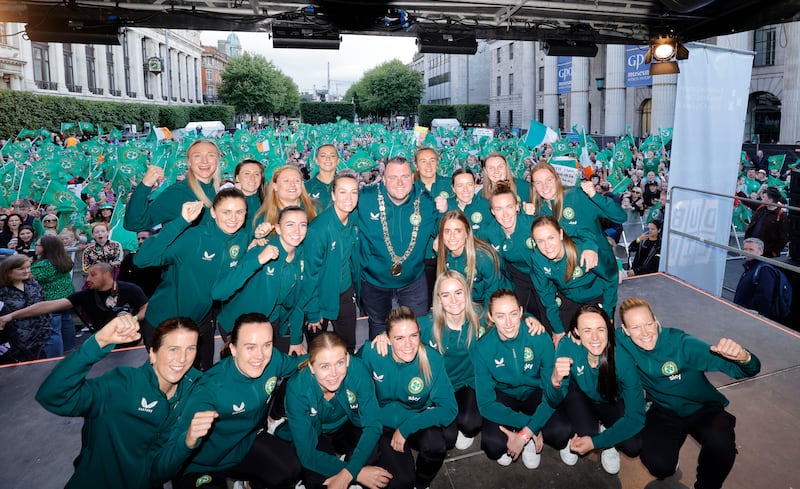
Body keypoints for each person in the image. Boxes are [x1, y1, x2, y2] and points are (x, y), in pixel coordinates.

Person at [36, 314, 202, 489]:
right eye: (173, 349)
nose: (183, 358)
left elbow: (159, 471)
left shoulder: (193, 392)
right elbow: (53, 396)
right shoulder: (121, 384)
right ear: (152, 353)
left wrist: (187, 443)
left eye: (190, 348)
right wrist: (98, 342)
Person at [617, 297, 761, 489]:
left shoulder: (682, 344)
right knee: (659, 466)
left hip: (701, 408)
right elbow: (596, 337)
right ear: (625, 331)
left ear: (656, 320)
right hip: (662, 409)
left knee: (721, 444)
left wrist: (744, 357)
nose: (644, 333)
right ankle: (670, 455)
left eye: (648, 324)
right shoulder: (622, 342)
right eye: (635, 327)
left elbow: (746, 369)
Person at [155, 313, 304, 489]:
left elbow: (299, 363)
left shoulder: (273, 360)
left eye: (267, 345)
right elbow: (172, 446)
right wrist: (187, 440)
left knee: (291, 469)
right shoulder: (208, 388)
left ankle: (246, 485)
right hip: (201, 465)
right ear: (233, 349)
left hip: (244, 446)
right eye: (250, 347)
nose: (260, 355)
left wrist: (332, 358)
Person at [134, 188, 252, 368]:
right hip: (164, 320)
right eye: (226, 212)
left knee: (201, 377)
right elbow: (142, 259)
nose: (233, 218)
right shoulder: (194, 237)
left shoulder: (243, 238)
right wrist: (180, 222)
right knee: (167, 381)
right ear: (213, 212)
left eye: (239, 212)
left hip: (200, 320)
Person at [358, 306, 457, 489]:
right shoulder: (372, 353)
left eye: (413, 336)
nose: (408, 344)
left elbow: (450, 408)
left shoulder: (432, 360)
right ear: (387, 338)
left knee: (436, 445)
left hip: (412, 421)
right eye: (399, 338)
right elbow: (349, 381)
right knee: (401, 482)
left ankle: (421, 484)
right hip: (382, 425)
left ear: (419, 333)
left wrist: (407, 428)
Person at [278, 332, 393, 489]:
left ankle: (346, 462)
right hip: (316, 433)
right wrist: (356, 473)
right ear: (311, 367)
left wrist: (348, 473)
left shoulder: (357, 369)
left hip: (347, 423)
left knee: (372, 456)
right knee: (316, 479)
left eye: (339, 363)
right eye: (324, 366)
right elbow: (307, 455)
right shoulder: (297, 388)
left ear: (346, 360)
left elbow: (373, 425)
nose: (333, 373)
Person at [472, 289, 572, 469]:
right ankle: (526, 435)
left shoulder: (539, 336)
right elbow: (486, 405)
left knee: (561, 433)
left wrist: (525, 434)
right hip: (505, 393)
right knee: (493, 446)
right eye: (500, 316)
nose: (509, 323)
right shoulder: (482, 347)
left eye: (513, 314)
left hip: (535, 391)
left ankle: (526, 440)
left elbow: (554, 397)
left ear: (520, 312)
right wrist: (529, 426)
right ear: (491, 317)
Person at [545, 305, 645, 474]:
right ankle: (580, 431)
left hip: (610, 399)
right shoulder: (568, 346)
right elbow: (554, 400)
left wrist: (596, 443)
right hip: (580, 396)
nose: (595, 337)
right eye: (587, 330)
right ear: (576, 332)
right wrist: (555, 380)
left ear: (608, 330)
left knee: (632, 445)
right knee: (584, 431)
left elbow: (636, 417)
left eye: (600, 329)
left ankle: (608, 437)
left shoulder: (621, 358)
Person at [357, 157, 439, 339]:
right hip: (374, 281)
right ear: (384, 179)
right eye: (393, 177)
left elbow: (442, 226)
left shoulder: (425, 200)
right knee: (378, 331)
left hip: (413, 280)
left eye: (404, 176)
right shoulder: (364, 198)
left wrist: (441, 234)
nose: (400, 183)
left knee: (417, 329)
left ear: (412, 177)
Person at [213, 206, 308, 355]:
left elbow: (297, 301)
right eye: (290, 224)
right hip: (238, 325)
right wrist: (258, 260)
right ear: (278, 228)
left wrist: (296, 338)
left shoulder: (301, 256)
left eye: (302, 225)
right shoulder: (261, 250)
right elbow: (219, 292)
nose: (297, 230)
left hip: (272, 323)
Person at [531, 161, 626, 310]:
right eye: (538, 182)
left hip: (598, 276)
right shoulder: (539, 210)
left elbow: (620, 216)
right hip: (568, 287)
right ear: (534, 186)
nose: (544, 186)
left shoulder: (577, 195)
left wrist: (595, 196)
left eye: (548, 180)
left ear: (556, 179)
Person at [0, 262, 147, 343]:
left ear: (107, 275)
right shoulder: (84, 295)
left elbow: (146, 308)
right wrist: (11, 316)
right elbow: (48, 305)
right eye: (86, 275)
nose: (88, 279)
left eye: (93, 275)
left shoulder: (130, 289)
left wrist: (132, 318)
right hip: (104, 345)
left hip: (133, 343)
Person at [529, 216, 614, 342]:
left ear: (561, 234)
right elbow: (546, 296)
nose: (547, 246)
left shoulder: (582, 252)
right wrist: (558, 330)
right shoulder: (537, 259)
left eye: (551, 238)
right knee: (566, 342)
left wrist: (608, 311)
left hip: (595, 296)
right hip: (568, 298)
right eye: (540, 241)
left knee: (598, 339)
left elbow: (611, 278)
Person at [302, 172, 360, 352]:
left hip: (344, 291)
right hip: (319, 296)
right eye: (343, 192)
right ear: (333, 195)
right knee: (318, 350)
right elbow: (309, 274)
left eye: (354, 192)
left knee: (348, 345)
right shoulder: (319, 229)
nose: (349, 198)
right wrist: (312, 312)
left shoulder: (354, 218)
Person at [476, 183, 544, 319]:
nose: (505, 214)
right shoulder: (489, 231)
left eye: (509, 207)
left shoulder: (532, 224)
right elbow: (468, 241)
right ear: (492, 211)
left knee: (547, 318)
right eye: (499, 209)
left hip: (543, 275)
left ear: (517, 207)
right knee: (516, 317)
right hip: (517, 278)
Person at [124, 139, 222, 232]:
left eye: (210, 155)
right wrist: (145, 185)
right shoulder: (177, 193)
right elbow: (134, 223)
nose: (204, 161)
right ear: (189, 162)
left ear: (218, 159)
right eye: (197, 156)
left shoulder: (225, 192)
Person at [435, 210, 509, 306]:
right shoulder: (443, 253)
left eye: (458, 231)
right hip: (464, 303)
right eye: (447, 231)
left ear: (467, 233)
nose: (452, 237)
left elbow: (493, 292)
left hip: (493, 300)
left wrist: (486, 318)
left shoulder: (483, 258)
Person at [0, 254, 51, 363]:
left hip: (39, 336)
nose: (27, 271)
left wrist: (46, 325)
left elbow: (43, 301)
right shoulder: (2, 290)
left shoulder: (32, 283)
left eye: (28, 267)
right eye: (21, 268)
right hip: (17, 342)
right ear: (8, 271)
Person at [32, 235, 76, 357]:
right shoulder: (63, 259)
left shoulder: (43, 265)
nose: (35, 246)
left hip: (50, 302)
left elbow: (29, 278)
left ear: (46, 247)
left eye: (38, 245)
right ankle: (69, 353)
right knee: (67, 324)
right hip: (66, 299)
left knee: (53, 331)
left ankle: (54, 359)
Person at [733, 237, 786, 319]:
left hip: (750, 315)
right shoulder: (750, 267)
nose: (747, 252)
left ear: (761, 251)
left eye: (751, 249)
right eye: (745, 249)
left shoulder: (764, 270)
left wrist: (750, 311)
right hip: (743, 312)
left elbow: (764, 298)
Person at [253, 165, 319, 230]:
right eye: (286, 181)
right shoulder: (263, 217)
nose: (292, 184)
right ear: (275, 186)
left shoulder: (315, 208)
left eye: (297, 181)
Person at [744, 186, 789, 258]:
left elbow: (783, 237)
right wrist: (739, 192)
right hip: (752, 245)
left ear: (770, 200)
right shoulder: (761, 207)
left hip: (766, 252)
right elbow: (748, 202)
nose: (762, 198)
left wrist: (774, 252)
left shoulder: (781, 215)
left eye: (764, 197)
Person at [117, 230, 163, 298]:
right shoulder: (130, 257)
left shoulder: (162, 257)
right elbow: (121, 278)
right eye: (138, 239)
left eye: (144, 238)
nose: (140, 241)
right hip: (135, 297)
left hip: (156, 297)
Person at [446, 168, 492, 235]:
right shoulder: (446, 206)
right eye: (460, 185)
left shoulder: (486, 206)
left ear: (474, 185)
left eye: (469, 184)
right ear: (453, 188)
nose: (465, 189)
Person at [233, 159, 267, 232]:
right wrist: (237, 197)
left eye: (257, 174)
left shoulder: (269, 200)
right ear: (237, 178)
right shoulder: (227, 202)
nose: (252, 178)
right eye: (247, 173)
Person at [305, 144, 340, 209]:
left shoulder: (345, 185)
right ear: (316, 160)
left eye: (332, 156)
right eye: (323, 156)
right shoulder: (305, 187)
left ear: (338, 161)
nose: (328, 159)